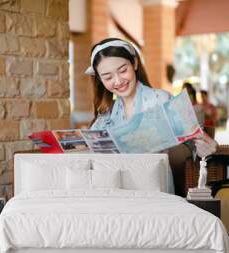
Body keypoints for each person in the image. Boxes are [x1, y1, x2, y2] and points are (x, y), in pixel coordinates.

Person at [86, 38, 218, 196]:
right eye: (108, 77)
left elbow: (193, 141)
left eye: (123, 71)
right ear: (100, 80)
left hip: (154, 188)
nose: (118, 81)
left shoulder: (161, 100)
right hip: (114, 190)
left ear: (134, 64)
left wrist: (206, 146)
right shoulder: (105, 115)